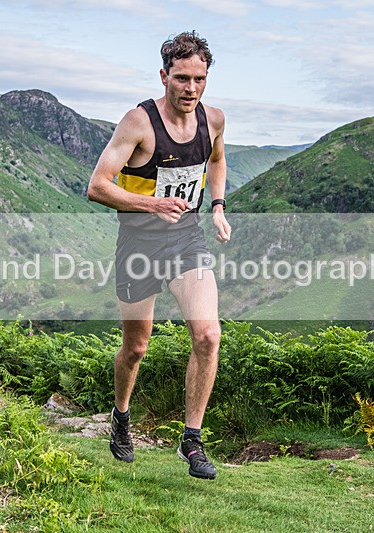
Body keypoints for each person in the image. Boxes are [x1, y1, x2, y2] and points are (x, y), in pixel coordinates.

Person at [87, 31, 231, 479]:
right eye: (182, 78)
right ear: (164, 75)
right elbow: (97, 186)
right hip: (138, 246)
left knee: (208, 336)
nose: (191, 89)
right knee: (137, 347)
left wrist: (219, 207)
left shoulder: (215, 120)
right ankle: (121, 416)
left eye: (200, 79)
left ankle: (191, 440)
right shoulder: (138, 122)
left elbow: (217, 160)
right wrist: (154, 204)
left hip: (187, 239)